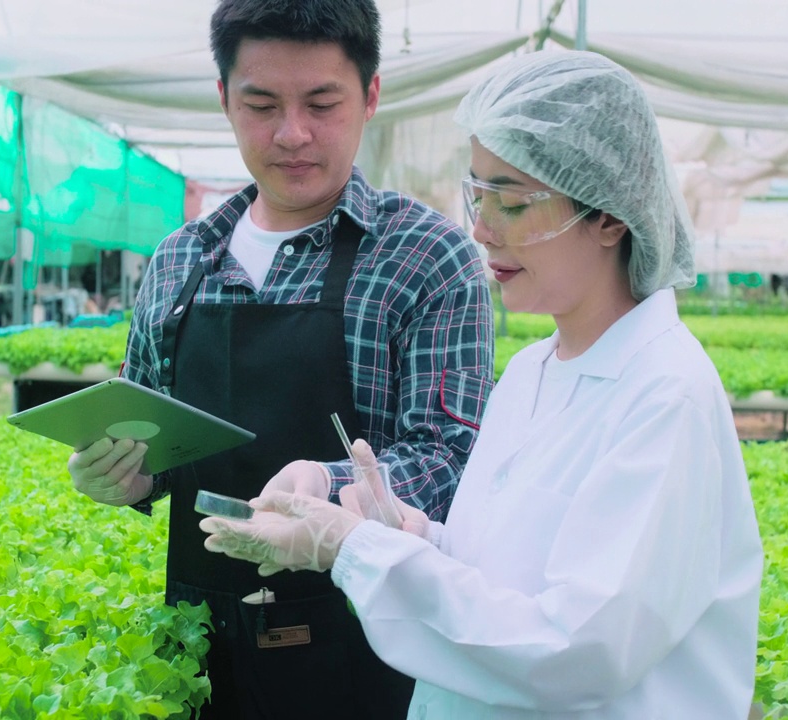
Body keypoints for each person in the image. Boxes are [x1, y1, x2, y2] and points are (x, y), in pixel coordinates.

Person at [200, 51, 764, 719]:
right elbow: (502, 577)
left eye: (514, 202)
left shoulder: (665, 398)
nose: (481, 228)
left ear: (611, 217)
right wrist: (405, 534)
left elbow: (575, 652)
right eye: (477, 194)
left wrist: (353, 548)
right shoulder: (531, 372)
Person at [65, 0, 495, 717]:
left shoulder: (426, 256)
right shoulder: (180, 261)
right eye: (261, 103)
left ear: (371, 97)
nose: (292, 134)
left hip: (367, 645)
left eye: (321, 103)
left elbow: (452, 459)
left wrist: (325, 488)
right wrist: (123, 476)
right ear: (225, 100)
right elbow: (154, 441)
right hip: (204, 638)